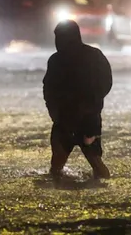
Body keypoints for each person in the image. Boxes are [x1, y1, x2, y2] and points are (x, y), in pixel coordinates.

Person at [43, 20, 113, 179]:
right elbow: (106, 83)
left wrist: (55, 112)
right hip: (80, 118)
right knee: (94, 163)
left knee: (57, 168)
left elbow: (49, 90)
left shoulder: (57, 60)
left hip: (74, 119)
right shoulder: (93, 56)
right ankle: (101, 188)